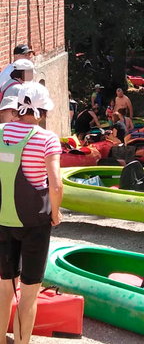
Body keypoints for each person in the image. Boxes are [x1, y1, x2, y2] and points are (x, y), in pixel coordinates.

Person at [0, 82, 62, 344]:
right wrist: (56, 214)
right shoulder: (47, 139)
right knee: (29, 293)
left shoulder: (1, 132)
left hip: (2, 220)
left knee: (4, 288)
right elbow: (56, 184)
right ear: (41, 111)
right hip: (35, 223)